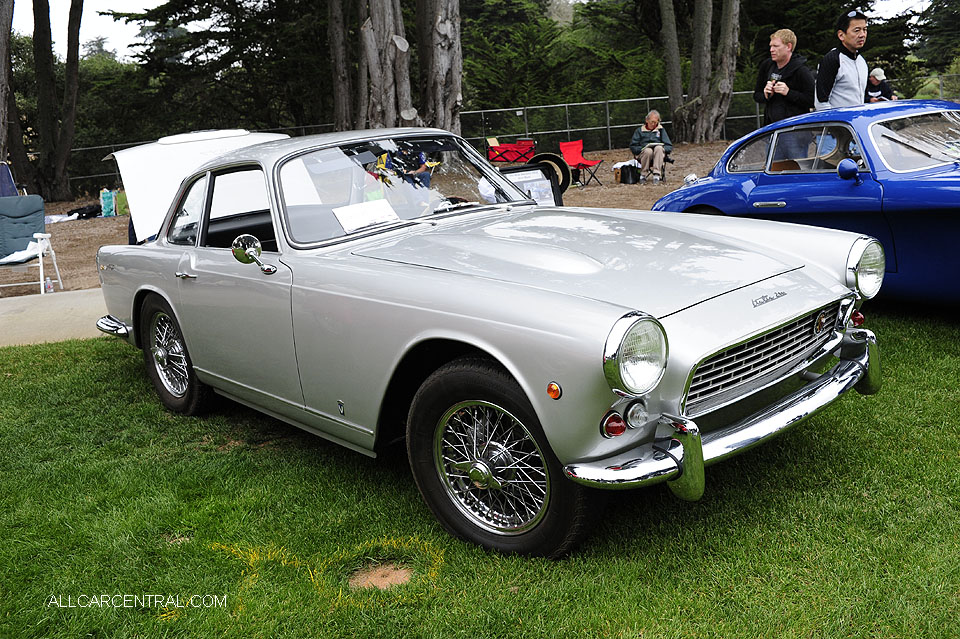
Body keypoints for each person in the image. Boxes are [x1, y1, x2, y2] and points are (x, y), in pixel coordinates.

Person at [753, 29, 815, 125]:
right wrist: (765, 95)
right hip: (771, 126)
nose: (771, 50)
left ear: (788, 47)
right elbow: (757, 95)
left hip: (795, 128)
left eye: (776, 46)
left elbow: (812, 100)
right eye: (771, 46)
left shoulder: (802, 70)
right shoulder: (767, 65)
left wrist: (789, 92)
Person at [815, 10, 869, 110]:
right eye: (857, 30)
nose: (862, 35)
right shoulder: (832, 60)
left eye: (864, 30)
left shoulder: (862, 61)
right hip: (838, 123)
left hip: (857, 122)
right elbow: (821, 103)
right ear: (841, 35)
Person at [629, 110, 673, 183]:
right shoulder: (639, 131)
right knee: (648, 151)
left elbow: (669, 145)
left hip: (658, 154)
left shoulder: (661, 130)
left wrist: (663, 149)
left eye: (655, 122)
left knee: (658, 148)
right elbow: (633, 146)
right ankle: (643, 174)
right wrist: (641, 149)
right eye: (652, 122)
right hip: (644, 154)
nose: (653, 124)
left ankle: (656, 174)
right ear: (647, 120)